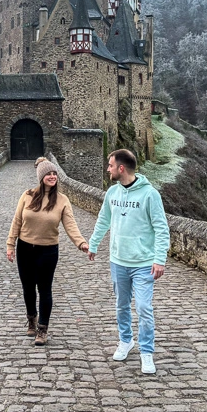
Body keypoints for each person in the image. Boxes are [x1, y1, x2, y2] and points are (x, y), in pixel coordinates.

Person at [87, 149, 170, 374]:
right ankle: (125, 341)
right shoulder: (112, 193)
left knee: (143, 307)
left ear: (121, 168)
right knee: (121, 305)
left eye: (110, 166)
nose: (108, 169)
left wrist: (159, 259)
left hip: (143, 262)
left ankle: (146, 352)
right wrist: (93, 244)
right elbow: (103, 220)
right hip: (118, 261)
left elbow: (162, 229)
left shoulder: (150, 195)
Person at [7, 157, 89, 346]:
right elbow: (17, 221)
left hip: (48, 250)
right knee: (28, 288)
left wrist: (81, 243)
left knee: (44, 289)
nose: (52, 176)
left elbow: (71, 225)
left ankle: (42, 329)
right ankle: (31, 319)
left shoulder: (62, 200)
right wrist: (10, 245)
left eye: (54, 173)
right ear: (41, 176)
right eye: (48, 174)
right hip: (25, 248)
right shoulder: (27, 195)